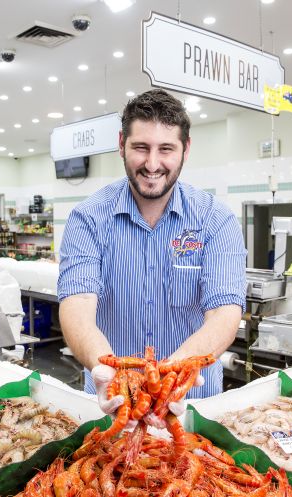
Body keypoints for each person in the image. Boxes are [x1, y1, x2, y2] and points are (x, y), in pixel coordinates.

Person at [58, 89, 247, 412]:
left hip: (191, 403)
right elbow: (77, 307)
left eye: (166, 149)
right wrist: (108, 372)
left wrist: (173, 373)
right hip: (111, 398)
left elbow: (224, 313)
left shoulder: (216, 220)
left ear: (185, 149)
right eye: (141, 148)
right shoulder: (88, 218)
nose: (152, 163)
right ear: (121, 145)